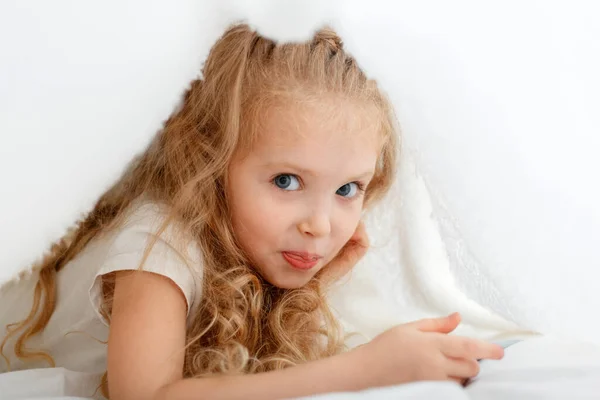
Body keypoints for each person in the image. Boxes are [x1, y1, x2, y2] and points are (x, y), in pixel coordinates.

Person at [0, 24, 503, 399]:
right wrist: (369, 369)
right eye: (287, 181)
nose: (321, 224)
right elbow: (147, 396)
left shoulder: (266, 244)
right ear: (213, 161)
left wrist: (312, 290)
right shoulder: (157, 244)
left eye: (348, 189)